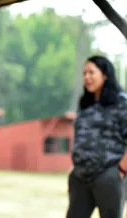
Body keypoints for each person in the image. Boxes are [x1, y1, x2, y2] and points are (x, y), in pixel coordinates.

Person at [66, 55, 127, 218]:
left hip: (108, 175)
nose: (87, 77)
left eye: (92, 72)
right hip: (80, 177)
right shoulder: (86, 105)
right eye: (84, 73)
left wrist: (120, 170)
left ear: (105, 74)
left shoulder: (121, 103)